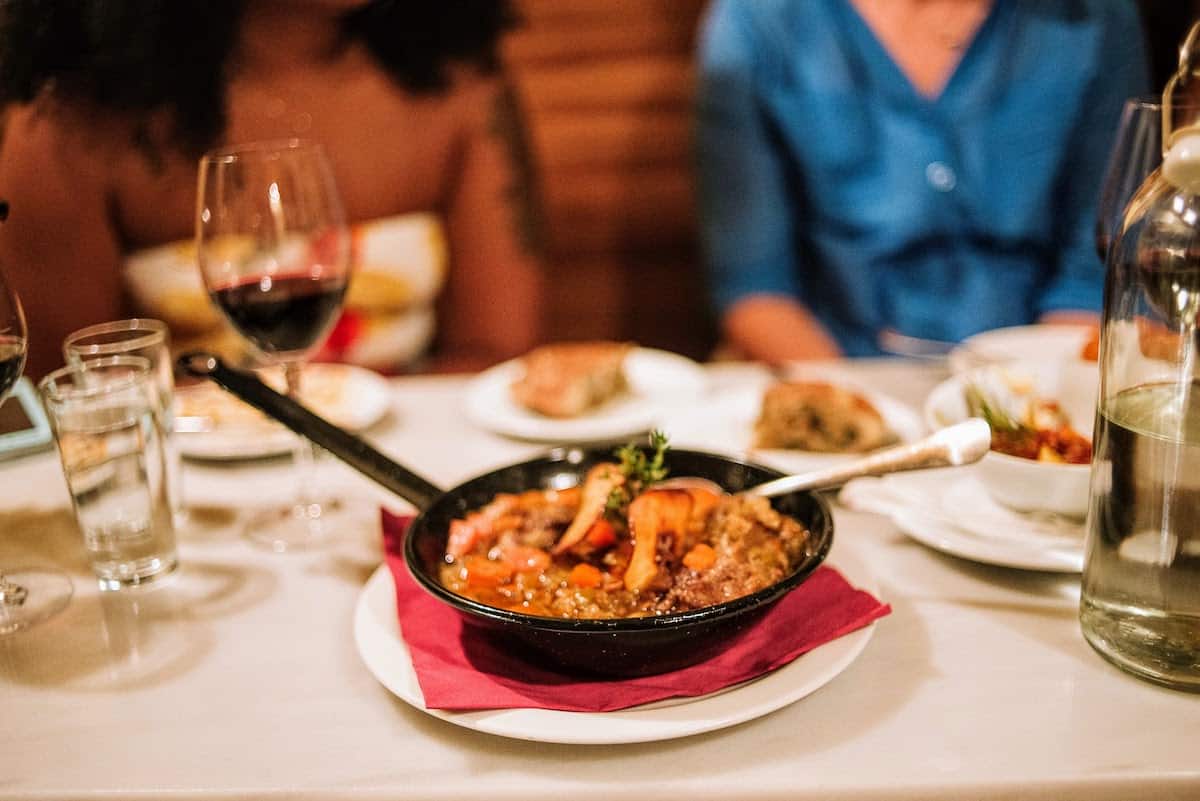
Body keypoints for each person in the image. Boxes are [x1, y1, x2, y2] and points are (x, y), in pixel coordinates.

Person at [0, 0, 545, 379]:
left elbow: (496, 357)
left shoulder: (461, 82)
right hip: (196, 500)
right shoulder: (71, 121)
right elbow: (69, 393)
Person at [695, 0, 1149, 363]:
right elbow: (756, 292)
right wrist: (866, 422)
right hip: (842, 371)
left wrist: (1026, 414)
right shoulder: (757, 21)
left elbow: (1097, 277)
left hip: (1038, 375)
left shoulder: (1095, 17)